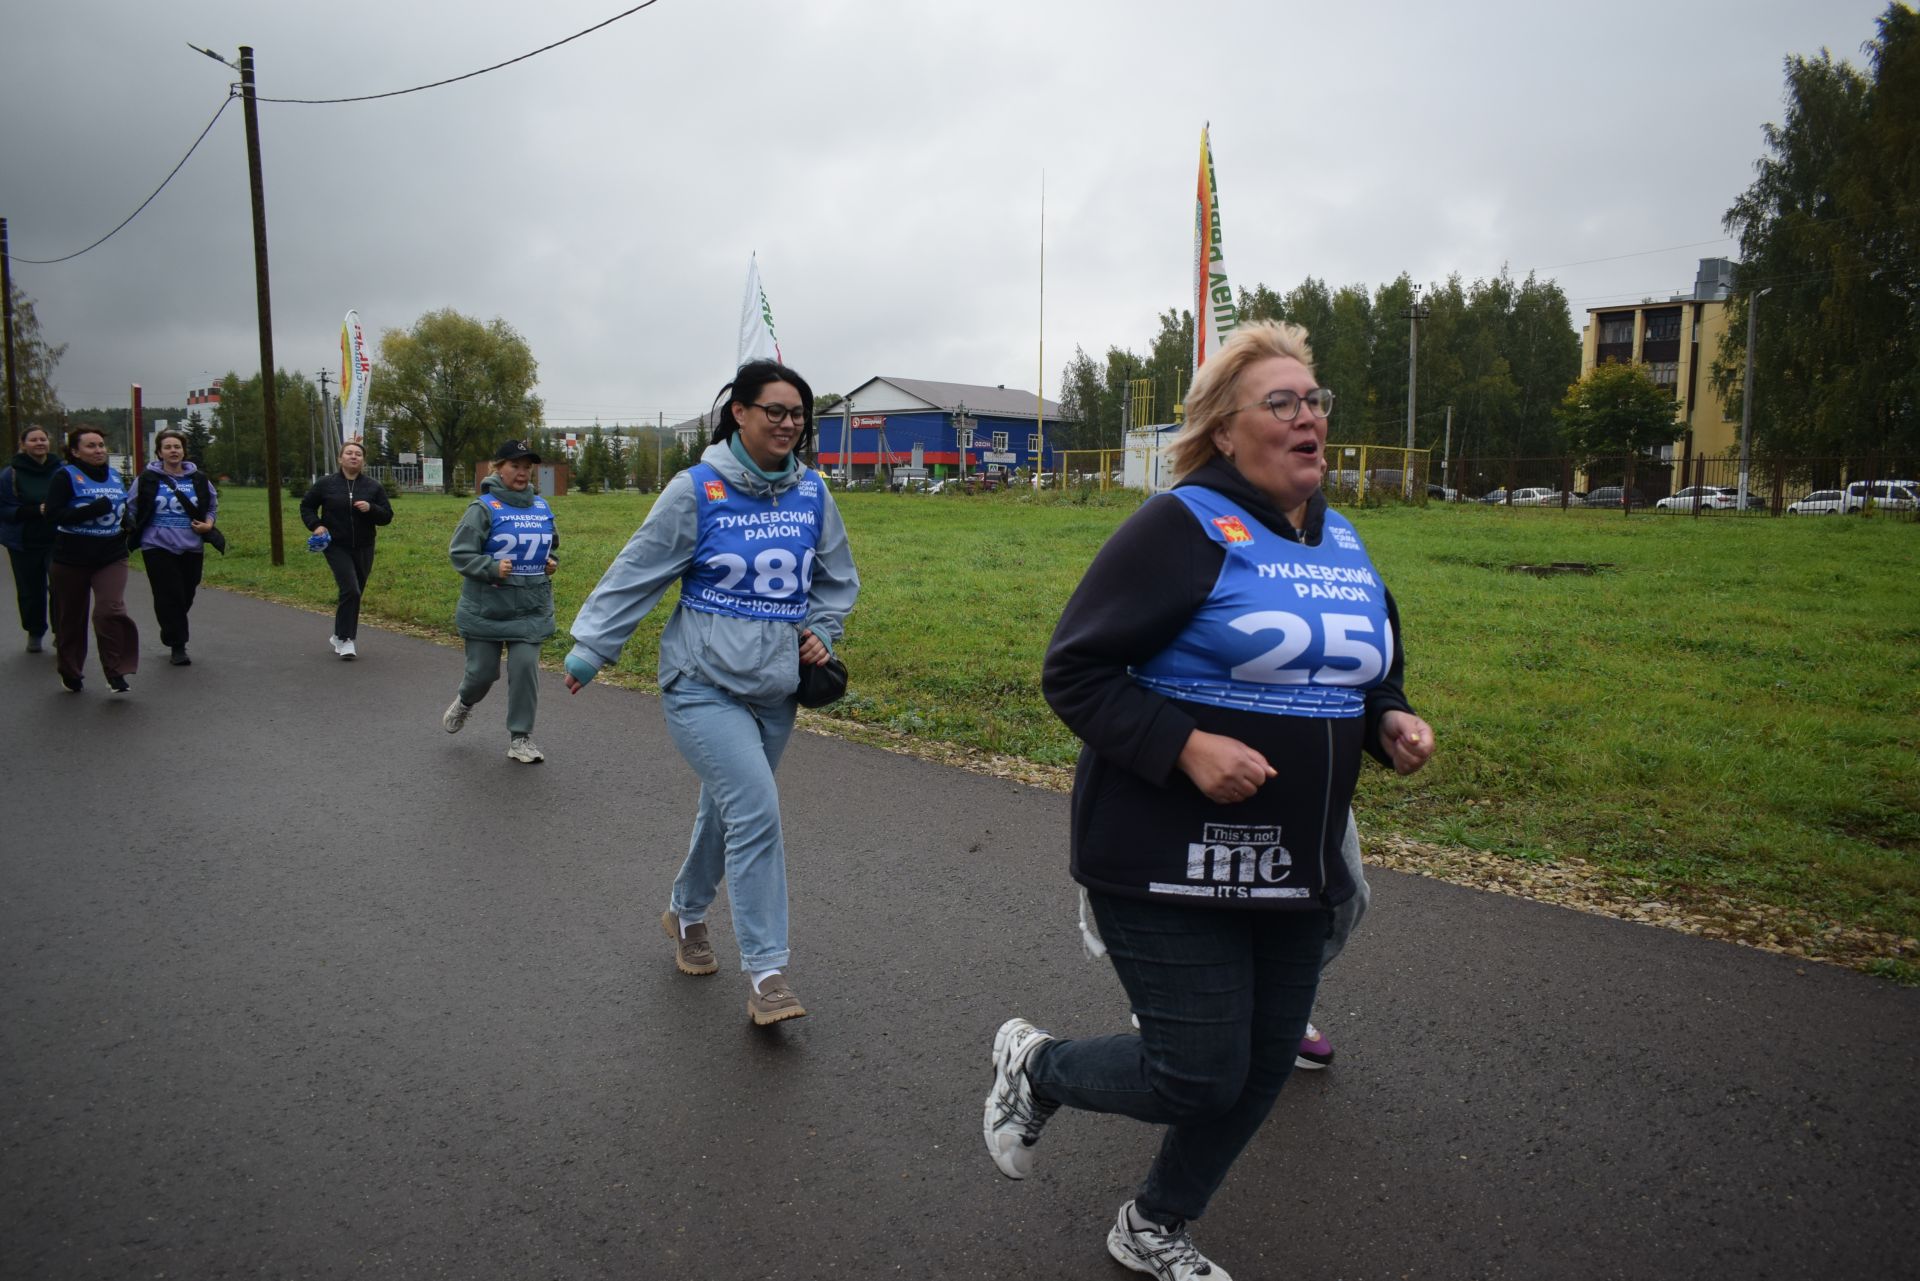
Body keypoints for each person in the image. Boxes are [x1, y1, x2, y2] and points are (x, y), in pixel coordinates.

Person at [984, 322, 1435, 1280]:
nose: (1309, 417)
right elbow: (1075, 671)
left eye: (1316, 401)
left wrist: (1388, 719)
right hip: (1162, 857)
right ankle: (1038, 1065)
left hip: (1294, 863)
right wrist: (1184, 745)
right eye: (1283, 402)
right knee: (1195, 1073)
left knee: (1263, 1065)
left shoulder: (1344, 540)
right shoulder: (1179, 526)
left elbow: (1363, 671)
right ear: (1225, 432)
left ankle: (1154, 1223)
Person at [564, 359, 859, 1026]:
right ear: (740, 413)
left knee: (727, 812)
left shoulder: (813, 494)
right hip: (700, 683)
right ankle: (769, 973)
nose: (788, 423)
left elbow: (837, 578)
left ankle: (686, 912)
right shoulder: (696, 490)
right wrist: (593, 647)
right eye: (774, 411)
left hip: (776, 689)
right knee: (755, 806)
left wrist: (822, 631)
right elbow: (638, 569)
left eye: (796, 414)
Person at [443, 439, 560, 763]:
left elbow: (550, 547)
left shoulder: (541, 507)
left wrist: (551, 562)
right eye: (515, 466)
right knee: (482, 673)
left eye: (527, 467)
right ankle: (465, 701)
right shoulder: (482, 508)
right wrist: (491, 567)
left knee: (525, 669)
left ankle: (520, 738)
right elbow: (460, 554)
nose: (522, 473)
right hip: (487, 609)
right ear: (498, 468)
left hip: (530, 608)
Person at [40, 426, 139, 693]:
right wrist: (91, 511)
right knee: (70, 618)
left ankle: (116, 671)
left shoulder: (116, 476)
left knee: (110, 610)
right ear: (75, 451)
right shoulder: (66, 476)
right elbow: (53, 515)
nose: (99, 451)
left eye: (101, 446)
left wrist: (128, 522)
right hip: (71, 557)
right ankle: (70, 670)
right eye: (91, 446)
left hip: (110, 554)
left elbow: (121, 508)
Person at [126, 428, 218, 666]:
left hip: (191, 546)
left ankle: (172, 627)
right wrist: (131, 528)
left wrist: (208, 525)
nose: (173, 451)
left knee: (187, 593)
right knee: (170, 594)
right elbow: (131, 507)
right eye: (167, 447)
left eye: (177, 446)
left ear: (183, 451)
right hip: (156, 545)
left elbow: (211, 506)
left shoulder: (199, 479)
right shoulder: (147, 478)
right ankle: (178, 645)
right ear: (159, 452)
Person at [300, 439, 393, 659]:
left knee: (353, 592)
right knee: (351, 589)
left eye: (358, 454)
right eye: (349, 453)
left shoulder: (372, 487)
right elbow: (307, 506)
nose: (353, 457)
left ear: (363, 461)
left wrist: (371, 508)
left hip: (364, 546)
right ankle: (347, 640)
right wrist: (316, 525)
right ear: (340, 458)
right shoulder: (326, 484)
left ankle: (338, 635)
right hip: (336, 545)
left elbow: (387, 516)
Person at [0, 425, 60, 652]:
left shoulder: (60, 470)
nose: (39, 443)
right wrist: (36, 510)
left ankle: (60, 631)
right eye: (33, 440)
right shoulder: (11, 474)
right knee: (30, 589)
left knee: (60, 587)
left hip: (56, 539)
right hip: (23, 541)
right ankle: (35, 631)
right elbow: (4, 509)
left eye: (43, 439)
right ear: (23, 444)